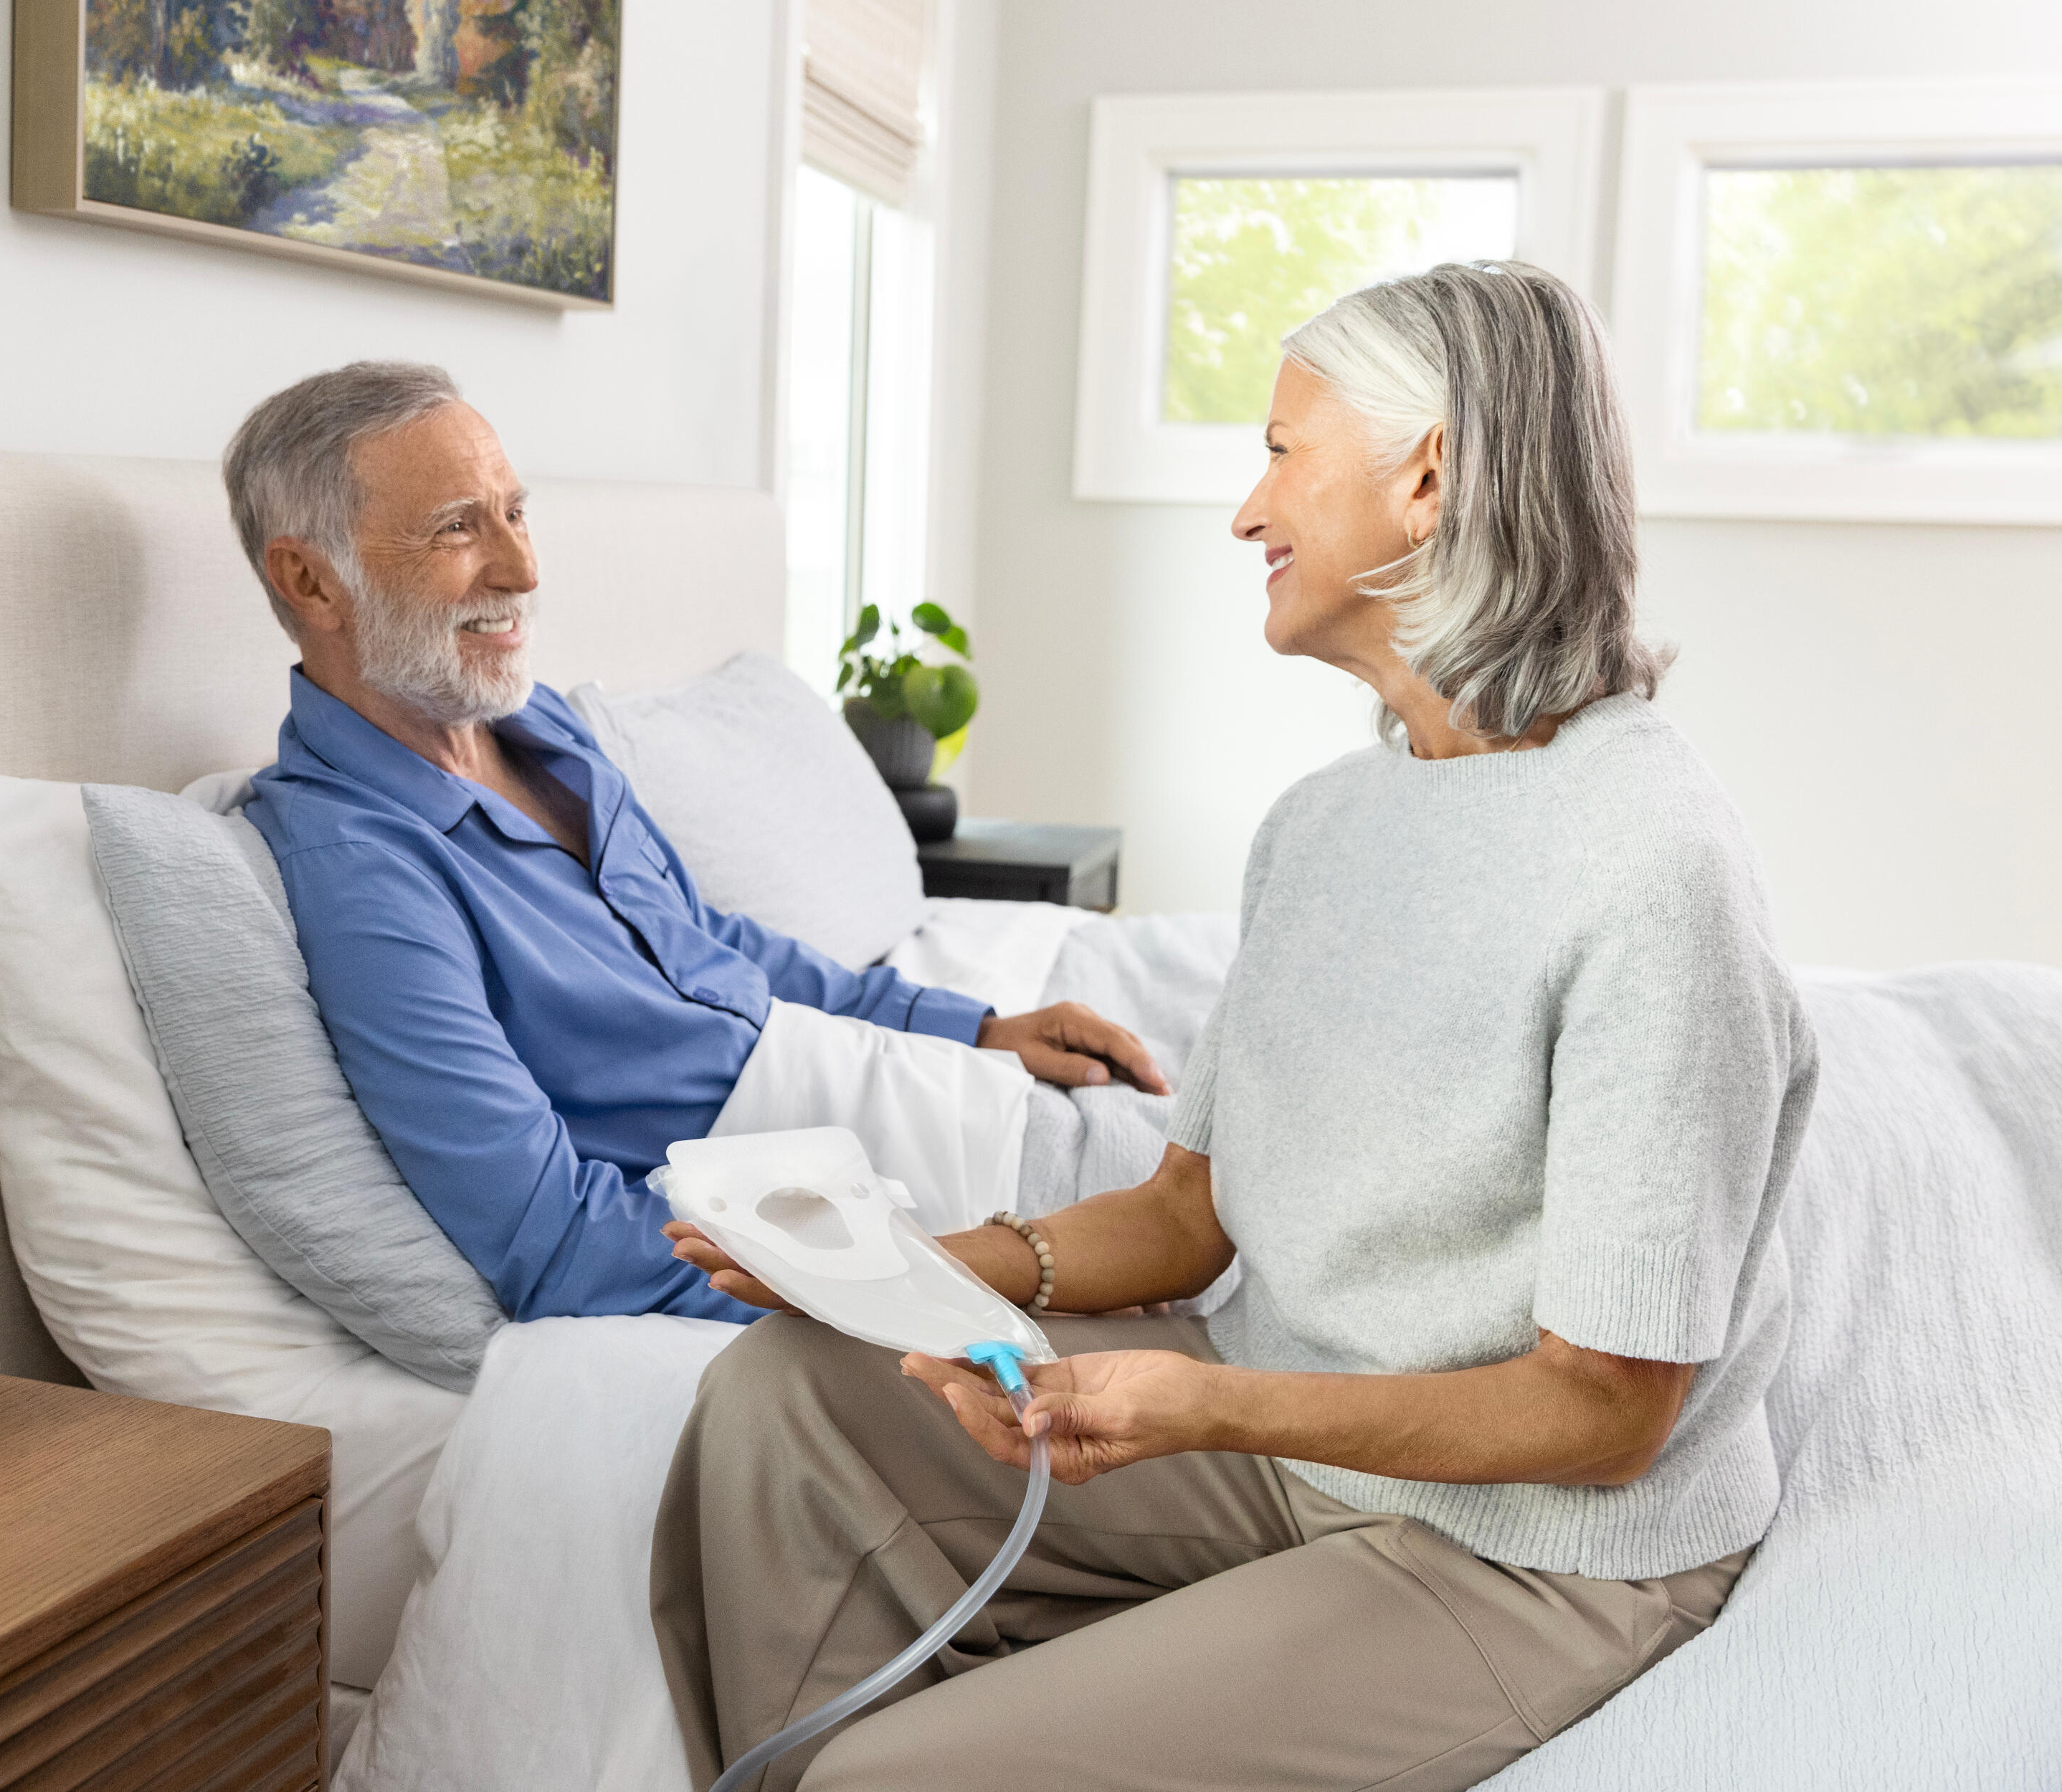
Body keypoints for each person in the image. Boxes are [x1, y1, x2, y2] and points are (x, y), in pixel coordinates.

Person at [652, 261, 1815, 1791]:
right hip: (1290, 1448)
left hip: (1529, 1548)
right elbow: (1190, 1214)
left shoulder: (1649, 864)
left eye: (1280, 451)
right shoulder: (1325, 824)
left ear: (1427, 477)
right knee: (779, 1395)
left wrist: (1201, 1403)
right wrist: (883, 1273)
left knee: (900, 1780)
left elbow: (1602, 1410)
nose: (1244, 511)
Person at [224, 361, 1164, 1324]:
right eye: (458, 527)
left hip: (898, 1101)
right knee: (1257, 1240)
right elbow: (553, 1238)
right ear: (310, 579)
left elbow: (709, 947)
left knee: (1241, 1163)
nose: (523, 569)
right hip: (833, 1206)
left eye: (516, 512)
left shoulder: (541, 730)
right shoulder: (360, 863)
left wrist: (972, 1026)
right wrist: (876, 1300)